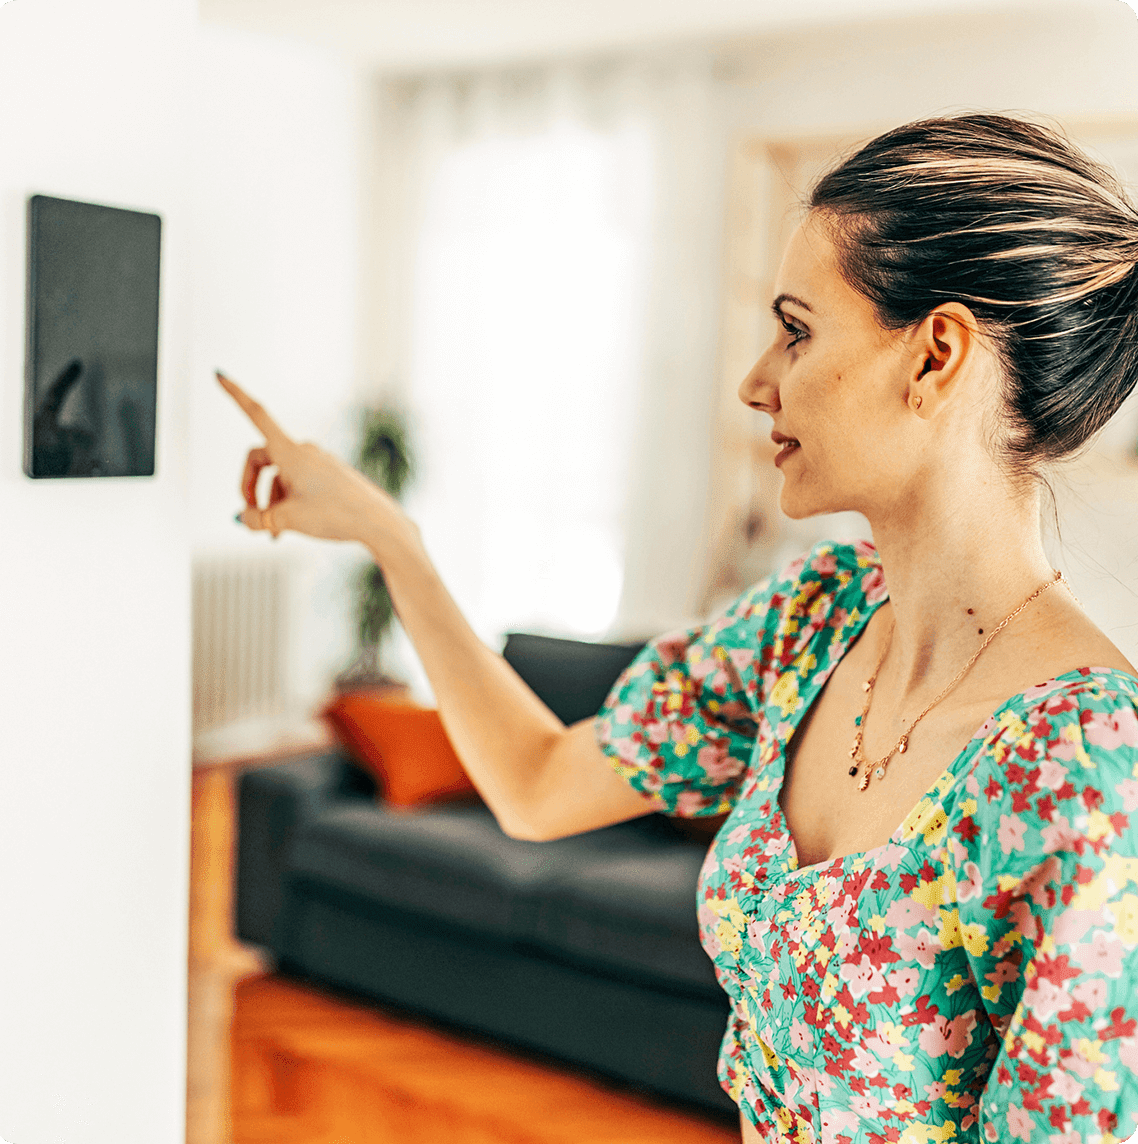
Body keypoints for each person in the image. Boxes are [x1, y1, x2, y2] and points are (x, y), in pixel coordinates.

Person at [219, 112, 1138, 1144]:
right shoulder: (809, 622)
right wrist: (394, 542)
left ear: (933, 357)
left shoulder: (1085, 767)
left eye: (796, 329)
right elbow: (538, 784)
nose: (757, 381)